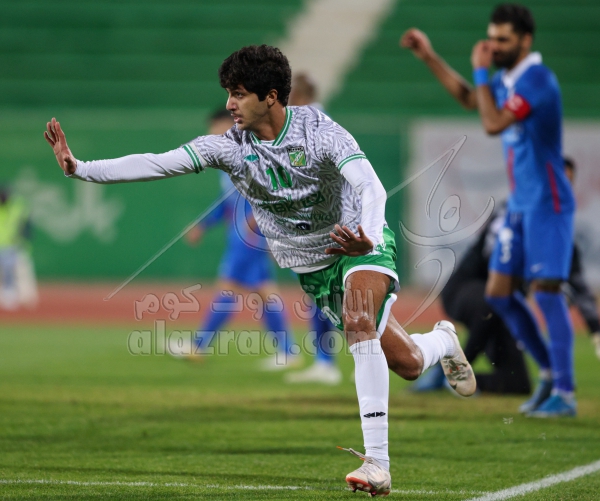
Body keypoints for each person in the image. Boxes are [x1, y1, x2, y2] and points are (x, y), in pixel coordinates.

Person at [45, 44, 476, 496]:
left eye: (238, 93)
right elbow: (157, 162)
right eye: (228, 94)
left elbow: (370, 185)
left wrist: (367, 233)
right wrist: (80, 168)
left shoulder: (320, 131)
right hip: (311, 267)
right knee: (407, 363)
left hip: (358, 243)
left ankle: (377, 464)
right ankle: (443, 341)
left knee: (357, 320)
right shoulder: (229, 147)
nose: (229, 104)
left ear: (270, 96)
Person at [401, 4, 577, 417]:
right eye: (492, 38)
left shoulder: (537, 79)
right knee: (498, 293)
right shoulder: (507, 80)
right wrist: (430, 57)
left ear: (525, 41)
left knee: (546, 293)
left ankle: (565, 392)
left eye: (503, 39)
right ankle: (548, 374)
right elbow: (470, 98)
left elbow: (493, 123)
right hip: (520, 205)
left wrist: (480, 71)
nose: (494, 46)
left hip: (548, 202)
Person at [184, 109, 299, 371]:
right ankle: (288, 351)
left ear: (229, 125)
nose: (211, 133)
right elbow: (225, 201)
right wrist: (204, 225)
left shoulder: (250, 153)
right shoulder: (226, 160)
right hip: (243, 235)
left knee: (229, 287)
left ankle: (199, 345)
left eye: (214, 127)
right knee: (265, 292)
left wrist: (259, 222)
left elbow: (272, 189)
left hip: (248, 236)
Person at [285, 72, 342, 385]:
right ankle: (327, 360)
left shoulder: (308, 124)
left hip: (322, 220)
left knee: (325, 292)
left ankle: (328, 361)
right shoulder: (321, 121)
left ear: (298, 96)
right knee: (326, 293)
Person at [0, 186, 33, 310]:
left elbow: (26, 223)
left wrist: (23, 238)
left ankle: (17, 296)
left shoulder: (17, 206)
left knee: (13, 271)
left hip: (13, 245)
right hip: (4, 245)